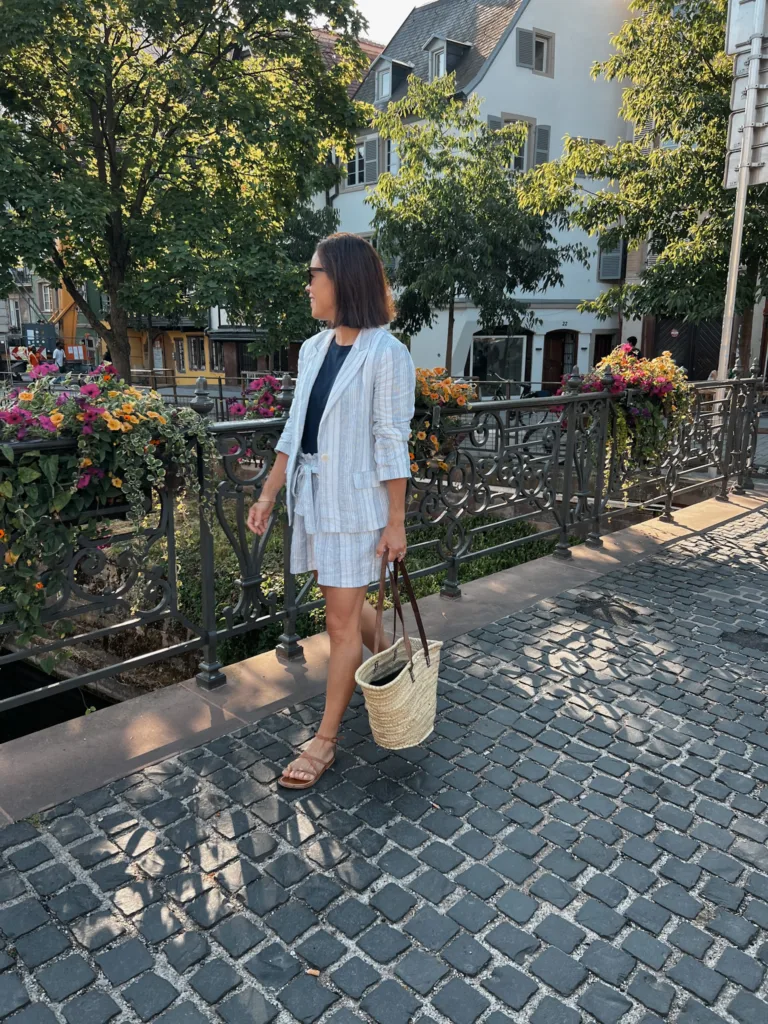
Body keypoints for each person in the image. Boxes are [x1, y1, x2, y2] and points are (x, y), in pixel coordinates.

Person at [247, 233, 415, 789]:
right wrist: (269, 494)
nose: (308, 284)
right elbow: (295, 430)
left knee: (340, 622)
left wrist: (397, 521)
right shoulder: (313, 349)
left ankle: (325, 740)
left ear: (341, 279)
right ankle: (398, 662)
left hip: (359, 505)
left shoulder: (387, 354)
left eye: (313, 273)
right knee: (344, 602)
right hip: (316, 501)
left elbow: (391, 439)